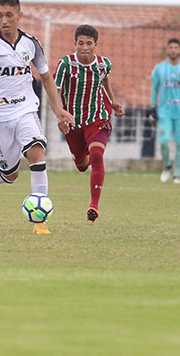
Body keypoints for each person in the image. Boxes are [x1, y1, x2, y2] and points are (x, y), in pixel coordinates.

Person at [0, 0, 75, 235]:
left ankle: (40, 221)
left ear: (19, 16)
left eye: (9, 15)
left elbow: (45, 77)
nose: (4, 20)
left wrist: (58, 111)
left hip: (25, 109)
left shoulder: (31, 43)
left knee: (37, 153)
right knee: (10, 174)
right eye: (0, 15)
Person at [53, 25, 124, 222]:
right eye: (81, 43)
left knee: (97, 154)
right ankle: (85, 159)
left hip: (98, 118)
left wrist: (113, 101)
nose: (85, 47)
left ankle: (94, 206)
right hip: (73, 123)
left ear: (95, 45)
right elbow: (54, 92)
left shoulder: (103, 64)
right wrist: (60, 116)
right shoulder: (65, 64)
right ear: (75, 43)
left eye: (89, 43)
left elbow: (105, 82)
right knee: (82, 165)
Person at [148, 38, 180, 184]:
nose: (173, 50)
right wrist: (152, 108)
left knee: (179, 143)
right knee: (164, 141)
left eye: (175, 47)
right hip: (164, 112)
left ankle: (177, 175)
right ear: (167, 50)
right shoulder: (159, 68)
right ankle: (167, 166)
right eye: (170, 47)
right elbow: (154, 89)